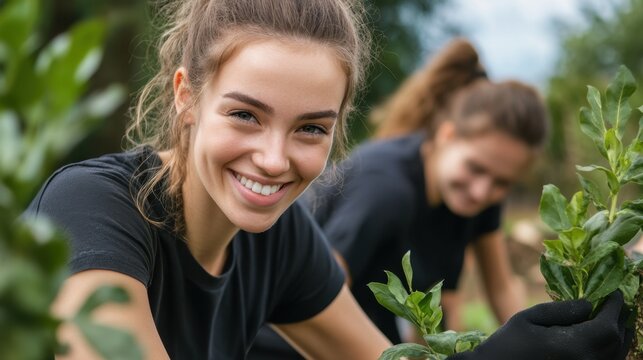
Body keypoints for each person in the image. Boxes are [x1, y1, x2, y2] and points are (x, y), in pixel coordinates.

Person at [26, 1, 629, 358]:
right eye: (245, 114)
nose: (272, 159)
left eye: (310, 129)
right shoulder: (92, 211)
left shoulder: (278, 239)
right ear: (187, 97)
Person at [248, 38, 632, 359]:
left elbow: (494, 292)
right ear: (447, 136)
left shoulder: (473, 198)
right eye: (476, 169)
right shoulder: (387, 190)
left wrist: (554, 341)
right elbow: (312, 300)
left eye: (502, 182)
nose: (483, 190)